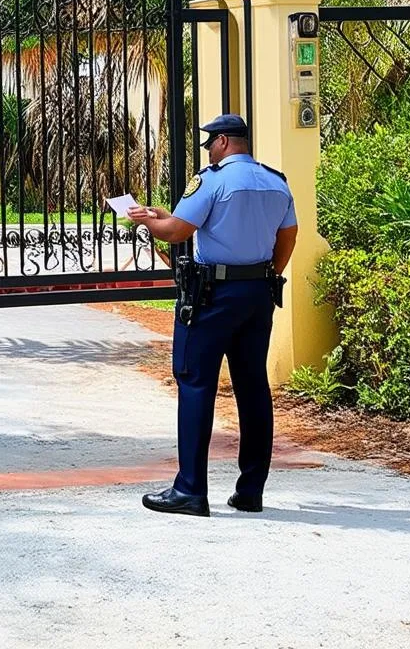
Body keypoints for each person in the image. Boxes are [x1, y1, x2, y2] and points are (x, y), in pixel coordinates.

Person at [127, 114, 298, 518]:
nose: (208, 150)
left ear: (222, 142)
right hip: (257, 292)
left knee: (196, 382)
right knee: (253, 386)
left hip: (212, 294)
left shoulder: (213, 179)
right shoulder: (276, 181)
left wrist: (150, 222)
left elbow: (176, 232)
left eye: (210, 144)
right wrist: (270, 272)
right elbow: (289, 235)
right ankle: (251, 491)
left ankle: (190, 490)